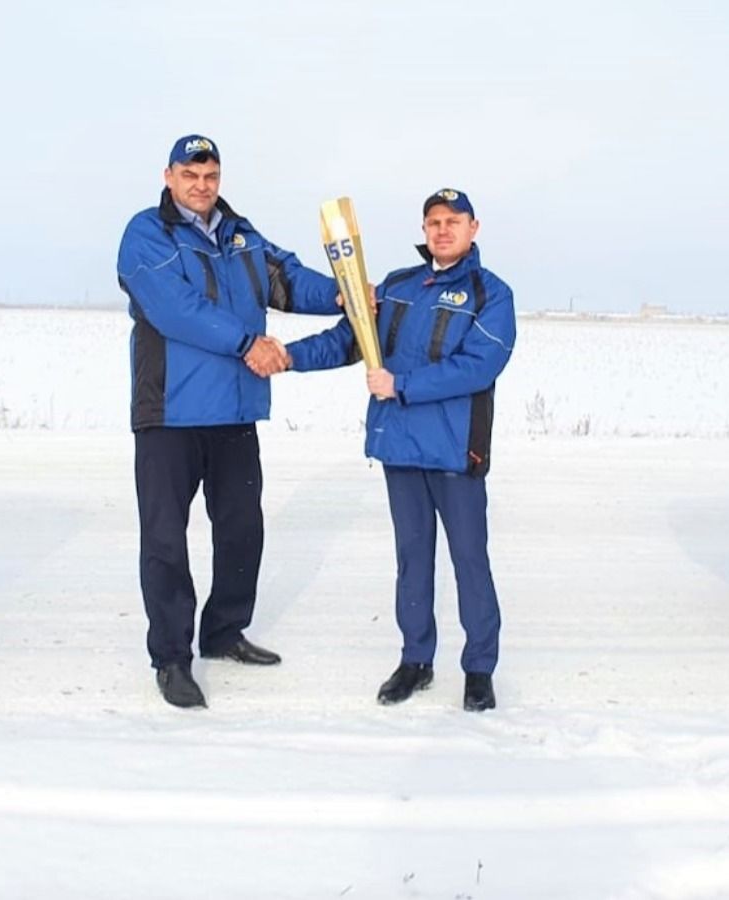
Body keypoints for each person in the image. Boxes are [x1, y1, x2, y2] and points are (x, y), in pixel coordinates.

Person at [115, 134, 345, 709]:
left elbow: (287, 280)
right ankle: (172, 657)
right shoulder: (147, 233)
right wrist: (248, 341)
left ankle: (223, 632)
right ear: (169, 176)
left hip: (236, 410)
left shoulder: (240, 235)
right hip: (170, 411)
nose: (201, 185)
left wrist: (346, 295)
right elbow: (173, 308)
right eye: (190, 175)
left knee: (242, 528)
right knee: (165, 539)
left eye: (210, 175)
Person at [283, 188, 515, 712]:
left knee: (469, 561)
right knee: (412, 560)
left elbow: (479, 365)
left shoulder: (491, 295)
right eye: (433, 221)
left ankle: (479, 669)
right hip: (402, 448)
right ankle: (416, 660)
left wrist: (401, 386)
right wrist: (287, 357)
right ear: (424, 228)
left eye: (453, 221)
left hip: (457, 452)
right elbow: (351, 341)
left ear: (473, 228)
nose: (442, 230)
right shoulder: (397, 287)